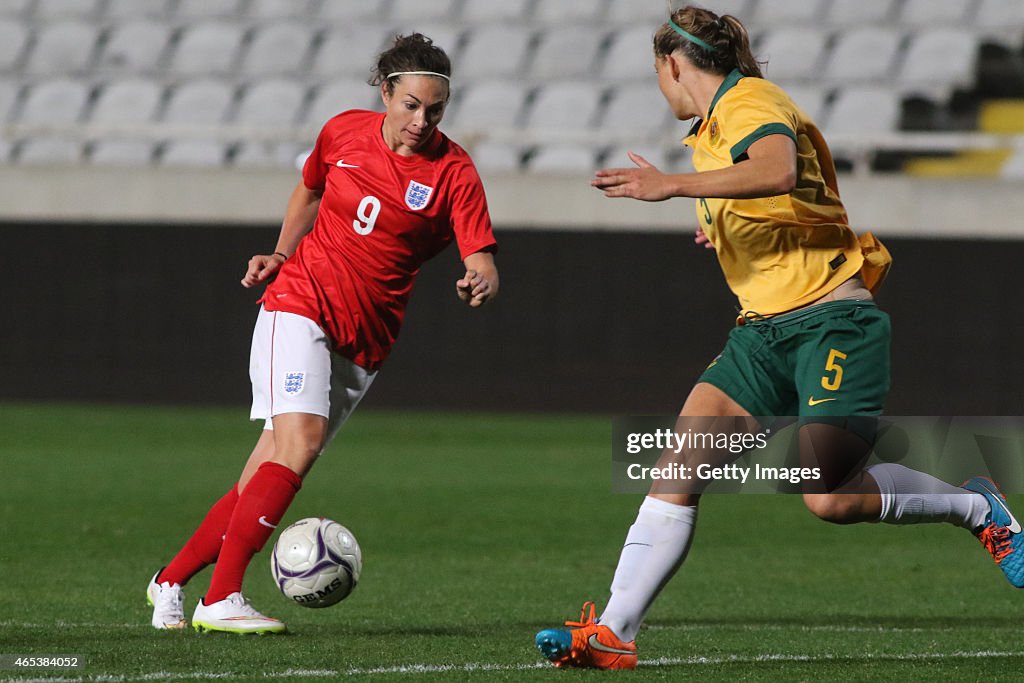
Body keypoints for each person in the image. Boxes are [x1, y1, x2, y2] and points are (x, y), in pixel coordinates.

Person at [534, 6, 1023, 670]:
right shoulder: (711, 132)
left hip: (833, 322)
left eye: (659, 75)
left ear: (673, 65)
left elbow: (777, 169)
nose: (661, 88)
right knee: (679, 467)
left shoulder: (748, 103)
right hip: (762, 334)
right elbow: (777, 198)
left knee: (828, 494)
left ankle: (976, 505)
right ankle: (616, 630)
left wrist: (672, 187)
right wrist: (721, 224)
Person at [146, 33, 499, 634]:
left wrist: (480, 275)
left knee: (266, 471)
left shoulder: (453, 171)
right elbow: (309, 190)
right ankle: (221, 597)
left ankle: (171, 582)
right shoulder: (342, 132)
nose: (422, 120)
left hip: (365, 340)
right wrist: (281, 254)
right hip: (300, 303)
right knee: (299, 444)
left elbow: (480, 254)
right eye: (411, 105)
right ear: (386, 93)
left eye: (435, 109)